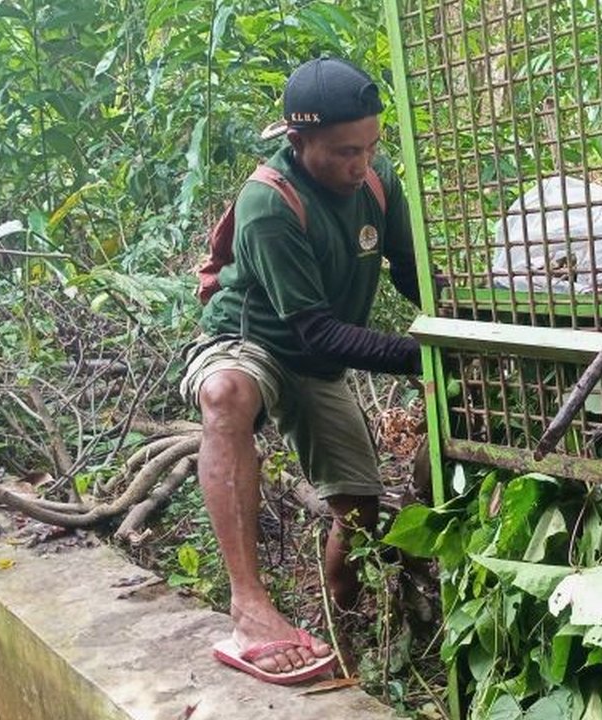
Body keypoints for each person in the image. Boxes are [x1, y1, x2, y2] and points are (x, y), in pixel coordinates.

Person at [179, 57, 424, 685]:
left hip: (316, 363)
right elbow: (313, 328)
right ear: (298, 141)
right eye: (344, 152)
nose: (360, 165)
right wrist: (420, 358)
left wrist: (469, 321)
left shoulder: (376, 183)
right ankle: (250, 607)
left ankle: (341, 633)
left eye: (370, 147)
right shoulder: (270, 202)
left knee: (361, 512)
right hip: (254, 341)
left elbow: (409, 272)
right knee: (225, 394)